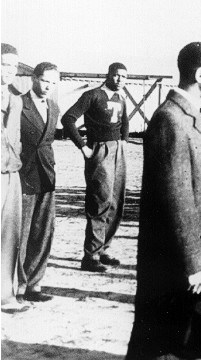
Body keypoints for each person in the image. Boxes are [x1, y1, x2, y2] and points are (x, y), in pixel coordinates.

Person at [126, 42, 201, 360]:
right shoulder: (171, 120)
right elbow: (176, 196)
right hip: (181, 261)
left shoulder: (193, 116)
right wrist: (194, 264)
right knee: (176, 340)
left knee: (187, 339)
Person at [61, 62, 129, 272]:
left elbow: (125, 122)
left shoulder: (121, 98)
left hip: (118, 151)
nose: (120, 80)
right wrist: (83, 147)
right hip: (99, 151)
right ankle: (90, 256)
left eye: (124, 77)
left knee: (116, 203)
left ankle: (103, 249)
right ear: (108, 75)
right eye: (117, 76)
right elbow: (68, 119)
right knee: (100, 200)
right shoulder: (93, 95)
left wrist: (123, 142)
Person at [17, 62, 60, 303]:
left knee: (43, 232)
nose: (48, 87)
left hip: (47, 174)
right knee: (21, 233)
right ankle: (18, 285)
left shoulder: (54, 107)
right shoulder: (19, 103)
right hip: (24, 175)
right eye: (45, 81)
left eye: (53, 83)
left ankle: (35, 284)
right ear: (34, 78)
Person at [1, 43, 28, 313]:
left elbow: (17, 138)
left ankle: (5, 295)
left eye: (13, 66)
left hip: (10, 174)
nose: (9, 71)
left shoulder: (17, 99)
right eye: (4, 64)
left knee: (9, 236)